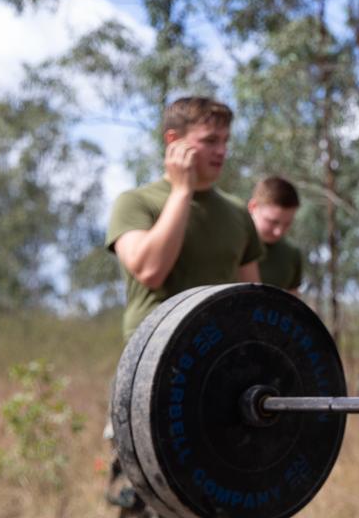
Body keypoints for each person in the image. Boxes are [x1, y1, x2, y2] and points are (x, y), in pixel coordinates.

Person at [103, 96, 262, 515]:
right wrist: (182, 191)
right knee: (142, 506)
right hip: (148, 381)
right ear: (173, 142)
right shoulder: (136, 203)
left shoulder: (236, 214)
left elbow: (254, 306)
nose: (222, 150)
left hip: (220, 383)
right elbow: (150, 269)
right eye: (209, 140)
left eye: (226, 140)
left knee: (216, 502)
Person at [248, 175, 303, 295]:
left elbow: (291, 303)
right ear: (253, 207)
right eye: (272, 222)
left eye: (287, 224)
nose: (278, 231)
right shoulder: (231, 244)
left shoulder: (292, 255)